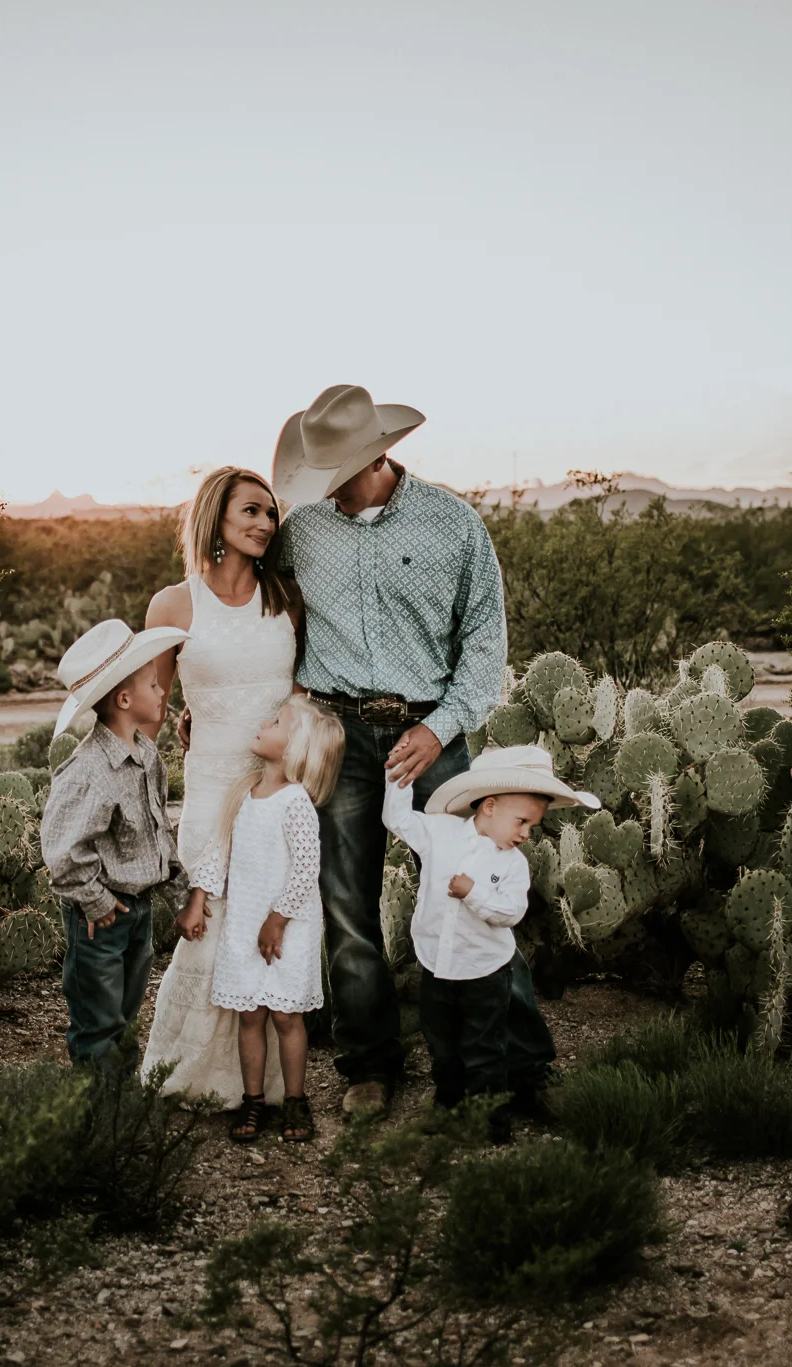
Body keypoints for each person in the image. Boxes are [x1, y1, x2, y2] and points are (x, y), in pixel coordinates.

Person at [270, 383, 553, 1118]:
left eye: (333, 469)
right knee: (348, 904)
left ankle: (510, 1064)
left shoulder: (453, 524)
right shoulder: (300, 533)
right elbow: (259, 613)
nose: (320, 486)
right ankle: (368, 1063)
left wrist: (441, 725)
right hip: (338, 734)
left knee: (476, 883)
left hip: (433, 735)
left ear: (373, 456)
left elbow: (485, 639)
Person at [138, 467, 302, 1107]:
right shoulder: (173, 604)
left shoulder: (286, 598)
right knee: (213, 924)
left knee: (265, 923)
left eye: (270, 514)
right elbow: (152, 706)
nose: (265, 523)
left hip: (273, 788)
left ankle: (258, 1084)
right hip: (208, 787)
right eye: (251, 512)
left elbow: (302, 696)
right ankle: (192, 1075)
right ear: (217, 518)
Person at [382, 746, 595, 1141]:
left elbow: (510, 914)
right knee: (442, 1048)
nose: (525, 833)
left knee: (484, 1049)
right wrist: (399, 775)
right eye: (522, 822)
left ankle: (491, 1124)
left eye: (531, 826)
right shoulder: (439, 832)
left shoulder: (514, 865)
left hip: (483, 973)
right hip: (436, 966)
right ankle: (448, 1111)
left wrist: (473, 893)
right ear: (490, 807)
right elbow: (395, 819)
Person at [192, 695, 345, 1142]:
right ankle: (253, 1100)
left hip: (287, 924)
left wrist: (278, 918)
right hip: (245, 920)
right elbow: (222, 849)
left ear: (295, 747)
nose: (263, 722)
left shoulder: (295, 801)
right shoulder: (246, 792)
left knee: (286, 1018)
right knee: (250, 1016)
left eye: (275, 721)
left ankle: (295, 1100)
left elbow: (305, 866)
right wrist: (200, 894)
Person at [40, 617, 189, 1067]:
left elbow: (157, 834)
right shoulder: (89, 769)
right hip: (100, 919)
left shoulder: (146, 756)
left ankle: (121, 1110)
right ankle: (101, 1120)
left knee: (124, 1018)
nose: (163, 688)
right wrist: (95, 900)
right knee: (98, 1023)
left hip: (137, 912)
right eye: (152, 683)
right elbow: (63, 850)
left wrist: (180, 894)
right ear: (125, 699)